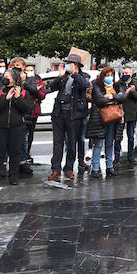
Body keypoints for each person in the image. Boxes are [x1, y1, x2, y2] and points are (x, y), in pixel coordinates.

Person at [46, 54, 91, 183]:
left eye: (69, 63)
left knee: (72, 143)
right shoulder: (63, 76)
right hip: (59, 113)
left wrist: (74, 73)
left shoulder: (83, 76)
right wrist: (59, 76)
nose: (67, 65)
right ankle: (56, 169)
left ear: (75, 65)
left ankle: (69, 168)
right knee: (57, 142)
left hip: (74, 115)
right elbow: (52, 87)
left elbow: (84, 85)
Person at [0, 66, 30, 185]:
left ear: (14, 79)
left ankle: (14, 177)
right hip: (0, 127)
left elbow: (26, 108)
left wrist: (17, 98)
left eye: (7, 77)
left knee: (15, 153)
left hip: (16, 127)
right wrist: (6, 99)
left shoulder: (23, 92)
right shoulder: (0, 92)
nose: (4, 79)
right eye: (4, 77)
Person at [87, 66, 130, 178]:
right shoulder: (97, 85)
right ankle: (95, 168)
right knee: (98, 144)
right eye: (107, 75)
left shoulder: (116, 86)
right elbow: (99, 99)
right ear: (103, 76)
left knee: (110, 143)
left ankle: (109, 167)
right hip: (99, 118)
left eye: (111, 75)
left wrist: (110, 96)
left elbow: (124, 97)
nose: (109, 78)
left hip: (113, 118)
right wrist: (115, 98)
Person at [10, 57, 45, 174]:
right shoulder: (9, 76)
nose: (16, 67)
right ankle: (9, 163)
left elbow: (35, 91)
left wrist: (23, 82)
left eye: (19, 65)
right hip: (12, 111)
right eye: (14, 65)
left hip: (26, 112)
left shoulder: (30, 78)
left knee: (24, 139)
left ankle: (23, 162)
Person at [113, 65, 137, 174]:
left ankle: (130, 156)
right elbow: (117, 97)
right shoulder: (118, 84)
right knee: (118, 136)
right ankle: (117, 157)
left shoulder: (136, 83)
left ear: (131, 73)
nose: (125, 75)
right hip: (121, 113)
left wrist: (132, 91)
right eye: (123, 73)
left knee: (131, 136)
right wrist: (126, 91)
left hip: (132, 112)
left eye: (126, 73)